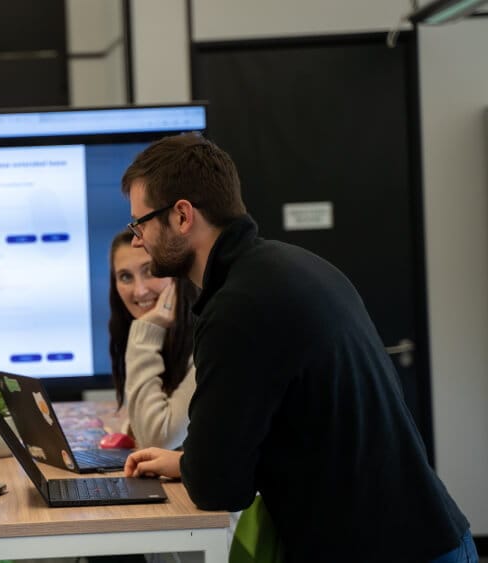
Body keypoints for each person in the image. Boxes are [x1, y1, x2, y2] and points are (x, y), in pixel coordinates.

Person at [120, 133, 475, 562]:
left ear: (182, 216)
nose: (136, 239)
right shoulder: (292, 266)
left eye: (140, 223)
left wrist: (198, 466)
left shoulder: (238, 307)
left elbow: (219, 488)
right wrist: (187, 463)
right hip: (425, 536)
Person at [108, 228, 198, 449]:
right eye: (125, 277)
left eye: (151, 271)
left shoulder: (208, 342)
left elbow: (157, 440)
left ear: (178, 274)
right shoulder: (162, 338)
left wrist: (145, 332)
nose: (139, 291)